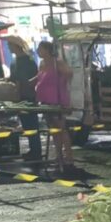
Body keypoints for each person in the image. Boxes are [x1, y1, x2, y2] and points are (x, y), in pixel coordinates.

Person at [32, 41, 76, 172]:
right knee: (53, 129)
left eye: (40, 49)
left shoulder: (58, 63)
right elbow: (39, 77)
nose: (38, 52)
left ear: (47, 50)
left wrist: (60, 81)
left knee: (61, 128)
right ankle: (59, 156)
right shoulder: (42, 64)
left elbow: (69, 73)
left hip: (57, 100)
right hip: (45, 101)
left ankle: (69, 157)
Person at [5, 36, 41, 160]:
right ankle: (33, 151)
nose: (8, 47)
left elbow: (23, 80)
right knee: (27, 125)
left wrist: (17, 94)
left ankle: (36, 152)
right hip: (19, 97)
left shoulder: (27, 61)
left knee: (31, 125)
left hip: (27, 97)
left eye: (10, 45)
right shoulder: (15, 61)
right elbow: (13, 77)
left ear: (16, 46)